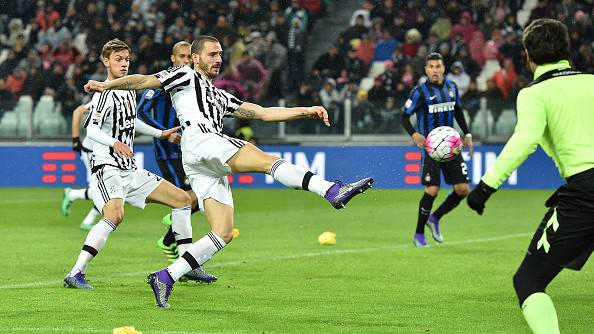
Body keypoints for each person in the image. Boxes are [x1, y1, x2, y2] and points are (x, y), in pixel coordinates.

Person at [84, 35, 374, 308]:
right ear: (195, 58)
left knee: (223, 232)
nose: (219, 58)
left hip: (200, 162)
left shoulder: (219, 96)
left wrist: (306, 110)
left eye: (221, 54)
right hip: (203, 141)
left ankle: (166, 276)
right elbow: (144, 81)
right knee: (267, 161)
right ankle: (331, 191)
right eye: (212, 54)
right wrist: (106, 85)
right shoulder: (183, 75)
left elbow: (262, 112)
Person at [467, 19, 594, 334]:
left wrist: (485, 186)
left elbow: (525, 140)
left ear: (527, 56)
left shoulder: (534, 94)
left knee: (529, 280)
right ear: (568, 48)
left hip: (586, 192)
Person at [63, 38, 197, 290]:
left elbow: (131, 122)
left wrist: (160, 133)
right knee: (114, 215)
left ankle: (187, 265)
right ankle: (75, 273)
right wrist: (114, 143)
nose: (124, 65)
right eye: (118, 60)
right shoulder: (105, 92)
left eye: (126, 60)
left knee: (182, 200)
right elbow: (90, 128)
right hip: (108, 167)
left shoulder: (127, 91)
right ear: (106, 61)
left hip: (129, 169)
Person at [135, 41, 217, 284]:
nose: (184, 61)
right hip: (168, 151)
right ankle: (178, 249)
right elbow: (141, 113)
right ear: (172, 58)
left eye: (187, 57)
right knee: (189, 198)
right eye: (180, 57)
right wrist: (165, 132)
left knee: (196, 197)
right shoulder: (164, 82)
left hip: (189, 148)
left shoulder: (194, 80)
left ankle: (174, 242)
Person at [401, 52, 474, 248]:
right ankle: (418, 234)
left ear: (443, 68)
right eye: (431, 66)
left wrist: (467, 134)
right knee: (432, 190)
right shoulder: (419, 92)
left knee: (463, 189)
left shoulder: (452, 87)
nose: (435, 70)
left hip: (451, 146)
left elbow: (458, 110)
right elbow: (403, 117)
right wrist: (414, 134)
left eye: (438, 66)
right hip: (432, 149)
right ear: (426, 69)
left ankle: (435, 218)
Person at [61, 102, 101, 231]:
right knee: (102, 191)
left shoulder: (123, 98)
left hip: (104, 152)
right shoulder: (103, 97)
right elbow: (78, 111)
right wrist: (75, 138)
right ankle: (72, 194)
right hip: (92, 152)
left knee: (109, 190)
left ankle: (87, 220)